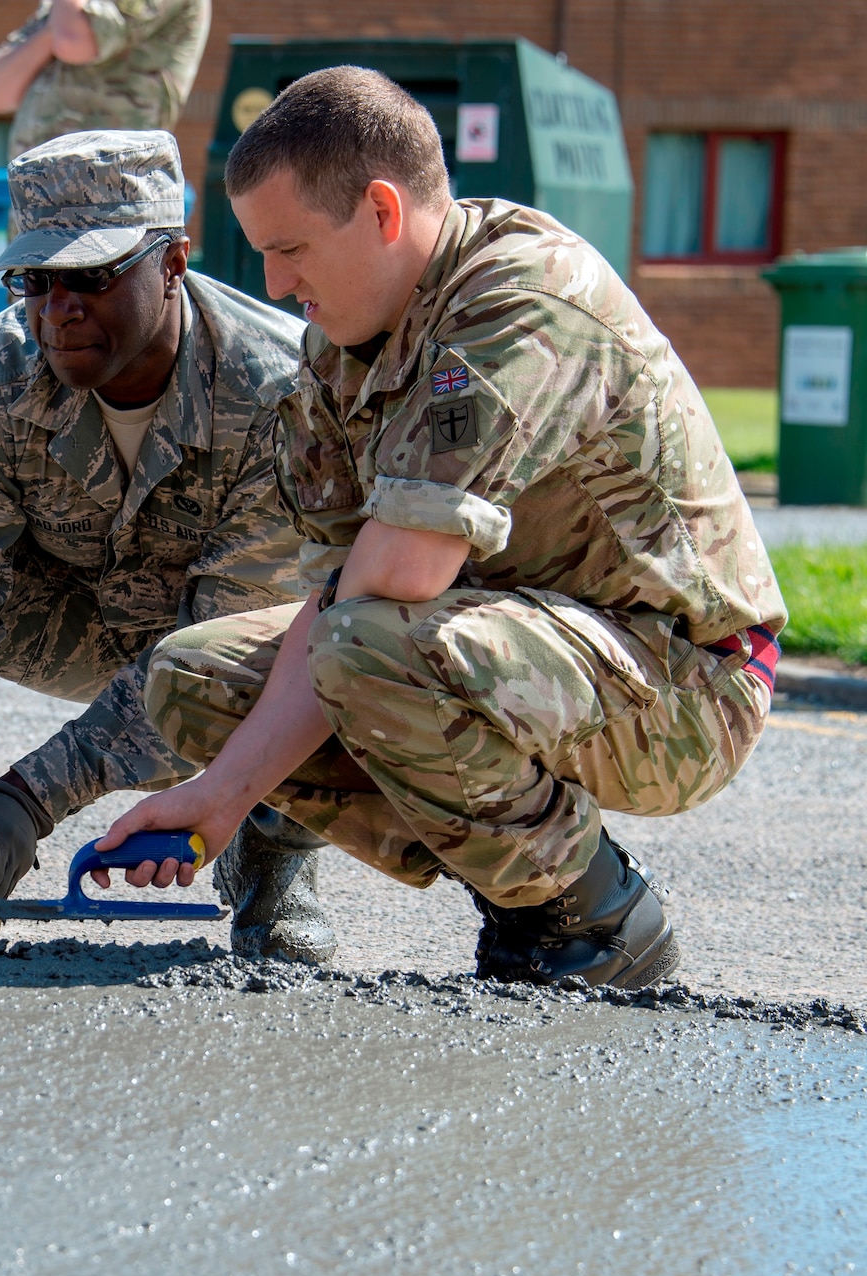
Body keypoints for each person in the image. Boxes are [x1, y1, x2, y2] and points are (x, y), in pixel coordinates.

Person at [94, 68, 786, 988]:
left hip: (687, 680)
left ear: (382, 210)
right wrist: (217, 798)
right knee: (194, 680)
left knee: (365, 646)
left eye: (291, 247)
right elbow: (340, 587)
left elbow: (396, 578)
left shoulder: (520, 297)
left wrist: (237, 785)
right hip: (513, 647)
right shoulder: (342, 344)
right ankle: (510, 865)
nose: (273, 280)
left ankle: (593, 915)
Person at [0, 129, 338, 963]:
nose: (57, 308)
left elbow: (242, 647)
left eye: (91, 277)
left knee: (336, 628)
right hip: (69, 618)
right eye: (36, 281)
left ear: (172, 262)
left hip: (216, 645)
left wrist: (29, 796)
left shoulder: (279, 393)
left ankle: (272, 863)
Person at [0, 0, 211, 159]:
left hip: (109, 194)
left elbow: (74, 40)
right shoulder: (66, 8)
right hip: (37, 200)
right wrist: (52, 33)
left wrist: (58, 31)